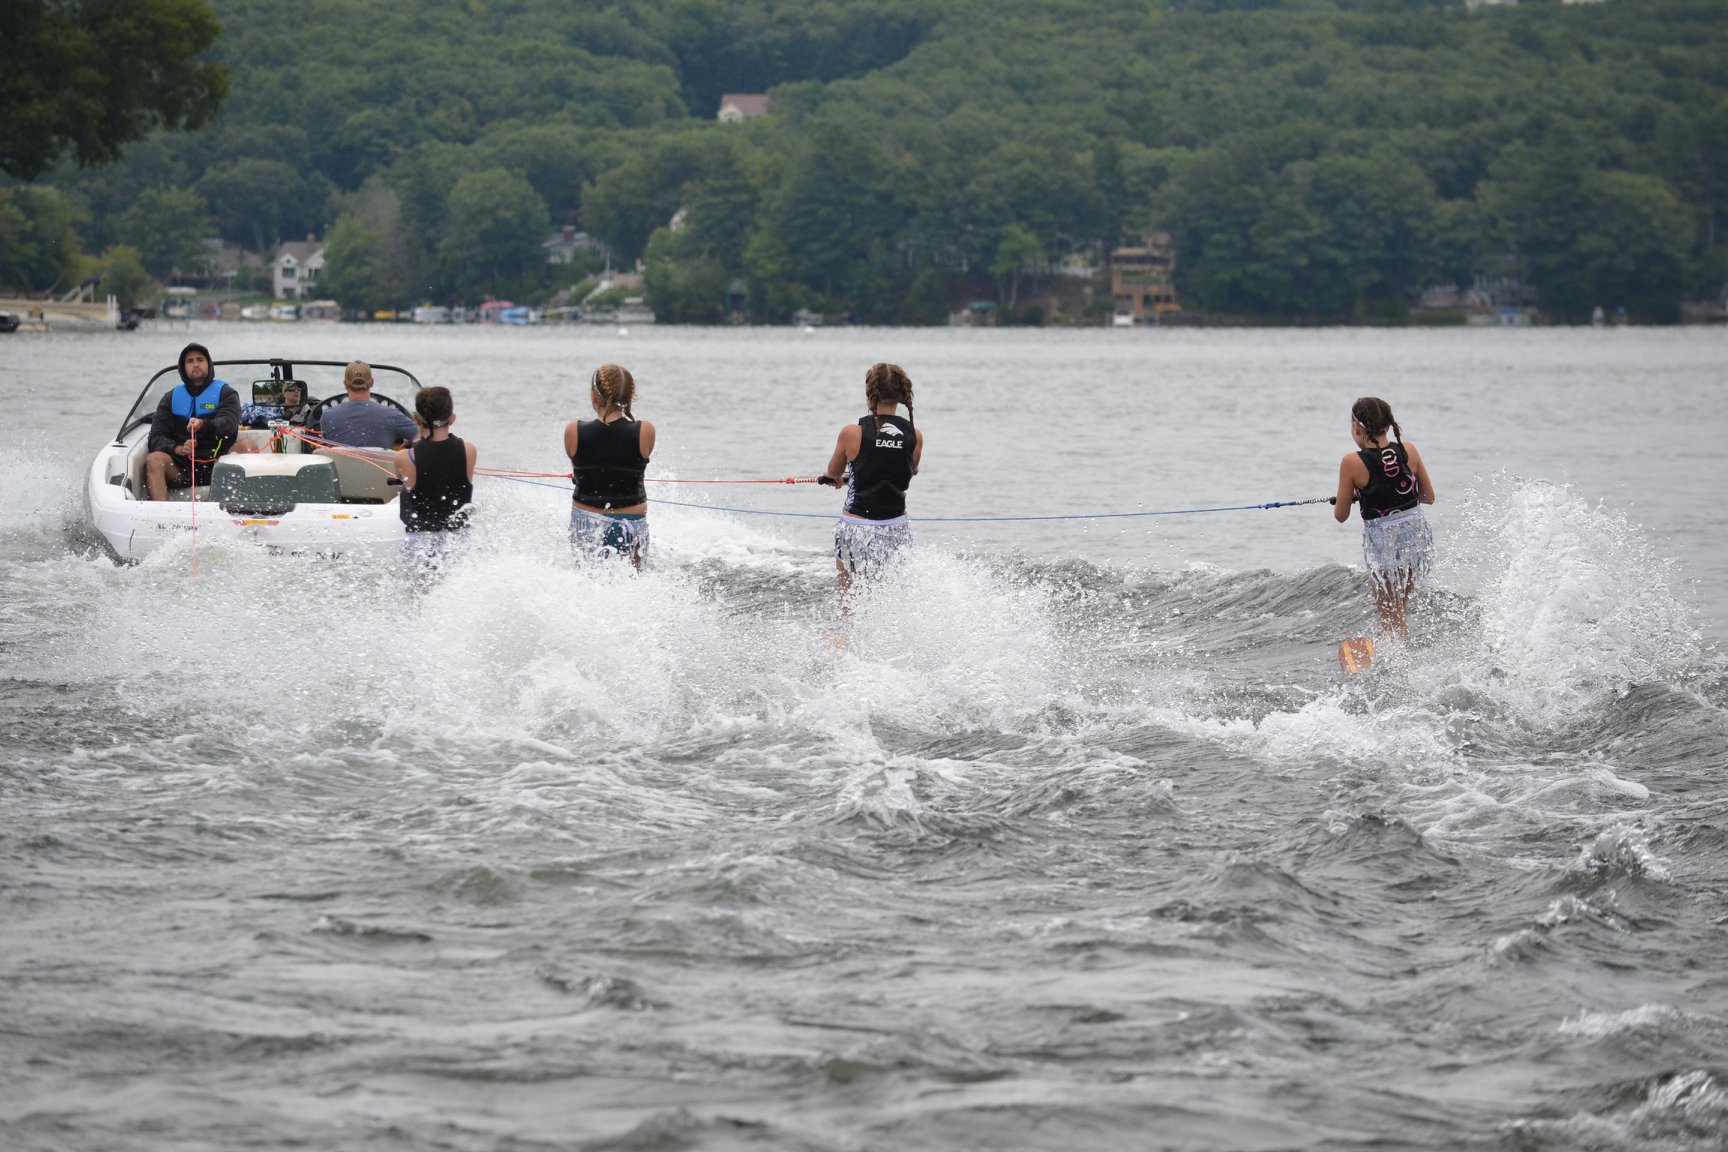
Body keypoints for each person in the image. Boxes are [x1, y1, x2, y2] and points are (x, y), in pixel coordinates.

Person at [1333, 396, 1436, 641]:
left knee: (1389, 610)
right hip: (1416, 538)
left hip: (1384, 544)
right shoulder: (1408, 449)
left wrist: (1355, 495)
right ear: (1388, 426)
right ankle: (1397, 656)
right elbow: (1428, 497)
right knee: (1398, 606)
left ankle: (1397, 664)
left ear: (1356, 428)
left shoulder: (1351, 462)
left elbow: (1341, 515)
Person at [818, 362, 922, 597]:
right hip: (896, 528)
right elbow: (904, 470)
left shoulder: (851, 433)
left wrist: (838, 478)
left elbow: (833, 473)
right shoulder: (915, 435)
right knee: (887, 596)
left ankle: (849, 631)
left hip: (857, 528)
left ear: (870, 394)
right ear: (901, 395)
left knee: (851, 598)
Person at [563, 363, 655, 568]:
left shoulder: (573, 431)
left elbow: (581, 466)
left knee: (588, 578)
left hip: (586, 521)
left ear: (594, 396)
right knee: (632, 581)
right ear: (629, 397)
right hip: (630, 522)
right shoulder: (645, 431)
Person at [394, 386, 476, 583]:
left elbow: (401, 481)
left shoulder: (405, 457)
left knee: (418, 596)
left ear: (416, 419)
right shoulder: (469, 450)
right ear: (452, 418)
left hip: (421, 541)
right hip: (456, 539)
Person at [144, 342, 241, 500]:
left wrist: (203, 425)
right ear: (183, 368)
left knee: (248, 446)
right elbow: (155, 438)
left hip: (221, 464)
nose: (195, 364)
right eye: (190, 361)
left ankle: (245, 513)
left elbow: (229, 423)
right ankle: (162, 518)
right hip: (183, 468)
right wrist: (179, 449)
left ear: (208, 364)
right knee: (154, 459)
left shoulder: (227, 394)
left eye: (200, 359)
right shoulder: (170, 398)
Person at [319, 361, 417, 449]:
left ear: (345, 384)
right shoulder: (392, 415)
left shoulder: (328, 416)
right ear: (372, 382)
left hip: (341, 469)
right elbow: (421, 437)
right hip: (379, 469)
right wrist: (409, 441)